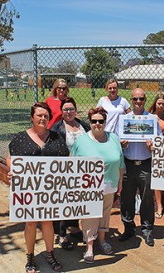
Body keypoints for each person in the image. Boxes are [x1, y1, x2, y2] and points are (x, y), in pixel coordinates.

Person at [6, 102, 68, 272]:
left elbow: (67, 160)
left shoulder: (56, 138)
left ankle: (50, 253)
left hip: (49, 189)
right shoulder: (20, 138)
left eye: (46, 116)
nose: (43, 118)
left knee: (48, 222)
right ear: (32, 117)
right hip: (29, 189)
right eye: (39, 115)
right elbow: (10, 158)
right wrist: (12, 171)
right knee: (31, 223)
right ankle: (30, 256)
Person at [71, 107, 124, 264]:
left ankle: (102, 240)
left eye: (101, 121)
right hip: (88, 187)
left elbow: (120, 162)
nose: (97, 124)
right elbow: (71, 162)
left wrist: (120, 182)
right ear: (90, 122)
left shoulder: (113, 138)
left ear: (105, 122)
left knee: (105, 213)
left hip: (110, 183)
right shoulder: (81, 140)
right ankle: (89, 246)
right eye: (94, 121)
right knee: (90, 216)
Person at [117, 88, 161, 247]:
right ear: (131, 100)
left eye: (141, 99)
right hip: (128, 163)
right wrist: (121, 145)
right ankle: (128, 228)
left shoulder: (152, 119)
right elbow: (116, 140)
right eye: (135, 99)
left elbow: (160, 141)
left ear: (145, 100)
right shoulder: (124, 119)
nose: (138, 102)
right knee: (126, 198)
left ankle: (147, 229)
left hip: (145, 164)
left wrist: (153, 146)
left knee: (147, 198)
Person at [50, 97, 90, 250]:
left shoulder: (82, 125)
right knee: (62, 202)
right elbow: (51, 148)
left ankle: (74, 228)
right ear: (61, 112)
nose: (69, 112)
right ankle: (61, 234)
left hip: (82, 171)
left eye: (71, 109)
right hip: (64, 171)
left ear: (75, 110)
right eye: (66, 109)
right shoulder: (56, 128)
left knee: (76, 200)